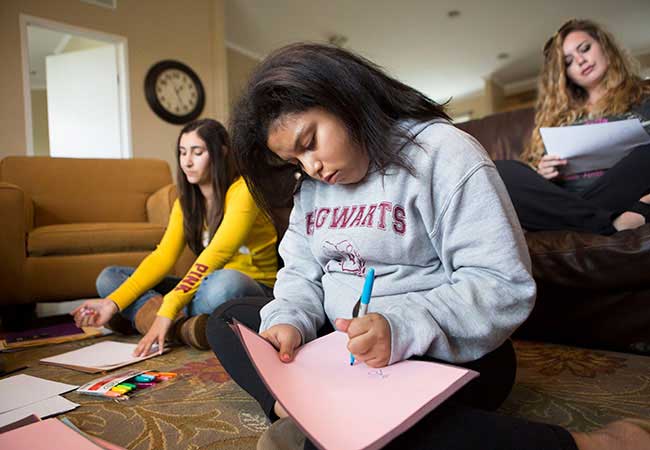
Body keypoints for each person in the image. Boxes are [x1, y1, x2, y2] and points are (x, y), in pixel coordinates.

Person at [205, 43, 650, 450]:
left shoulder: (443, 154)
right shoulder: (311, 189)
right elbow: (300, 274)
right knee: (227, 321)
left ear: (344, 98)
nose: (312, 166)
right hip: (344, 352)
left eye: (310, 143)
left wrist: (401, 326)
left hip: (439, 351)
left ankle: (591, 445)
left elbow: (502, 284)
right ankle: (308, 414)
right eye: (294, 161)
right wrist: (289, 321)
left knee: (392, 422)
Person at [72, 119, 278, 355]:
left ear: (221, 152)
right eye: (182, 153)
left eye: (197, 152)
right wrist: (112, 303)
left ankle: (145, 317)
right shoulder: (186, 203)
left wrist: (168, 306)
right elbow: (163, 256)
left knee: (224, 284)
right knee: (108, 278)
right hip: (201, 286)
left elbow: (217, 253)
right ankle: (182, 328)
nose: (187, 162)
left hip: (248, 286)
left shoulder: (243, 191)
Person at [496, 19, 650, 235]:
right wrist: (544, 173)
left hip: (620, 191)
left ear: (604, 46)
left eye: (585, 48)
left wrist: (644, 205)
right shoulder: (557, 118)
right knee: (498, 172)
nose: (580, 60)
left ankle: (591, 222)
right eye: (568, 61)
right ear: (564, 73)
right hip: (567, 202)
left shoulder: (645, 94)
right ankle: (607, 224)